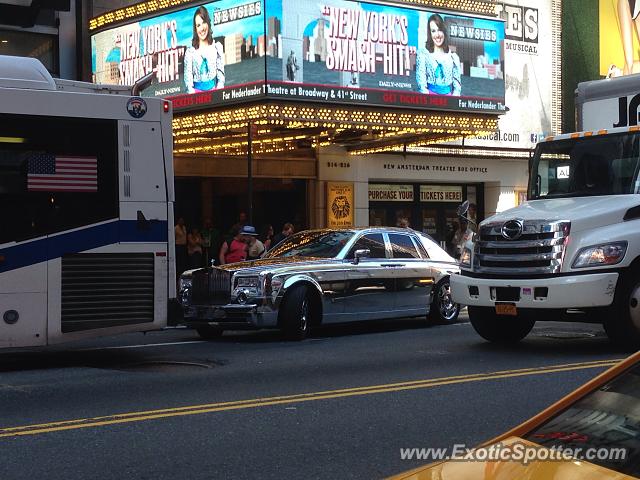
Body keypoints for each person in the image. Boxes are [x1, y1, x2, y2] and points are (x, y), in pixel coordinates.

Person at [415, 13, 461, 96]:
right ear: (430, 34)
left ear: (444, 31)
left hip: (449, 101)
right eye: (433, 31)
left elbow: (457, 88)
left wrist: (452, 103)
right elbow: (421, 84)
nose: (437, 35)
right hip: (429, 99)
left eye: (439, 30)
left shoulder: (453, 57)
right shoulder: (423, 55)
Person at [183, 5, 225, 93]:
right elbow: (188, 80)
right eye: (198, 25)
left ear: (208, 23)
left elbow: (221, 78)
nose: (201, 28)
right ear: (195, 28)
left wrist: (217, 95)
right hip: (196, 98)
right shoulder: (190, 53)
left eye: (203, 23)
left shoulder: (217, 47)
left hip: (215, 94)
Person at [607, 0, 640, 77]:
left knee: (630, 66)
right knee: (629, 65)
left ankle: (617, 73)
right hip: (627, 3)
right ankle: (618, 75)